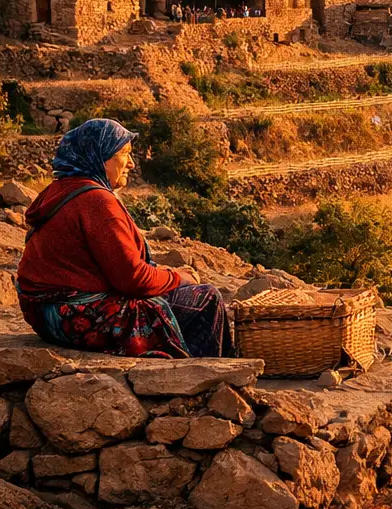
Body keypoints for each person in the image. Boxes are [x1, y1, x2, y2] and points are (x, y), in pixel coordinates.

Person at [16, 118, 231, 358]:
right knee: (207, 297)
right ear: (99, 157)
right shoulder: (97, 201)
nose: (130, 163)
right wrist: (177, 277)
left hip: (44, 315)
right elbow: (133, 279)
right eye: (123, 153)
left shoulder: (60, 190)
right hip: (79, 317)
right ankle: (208, 379)